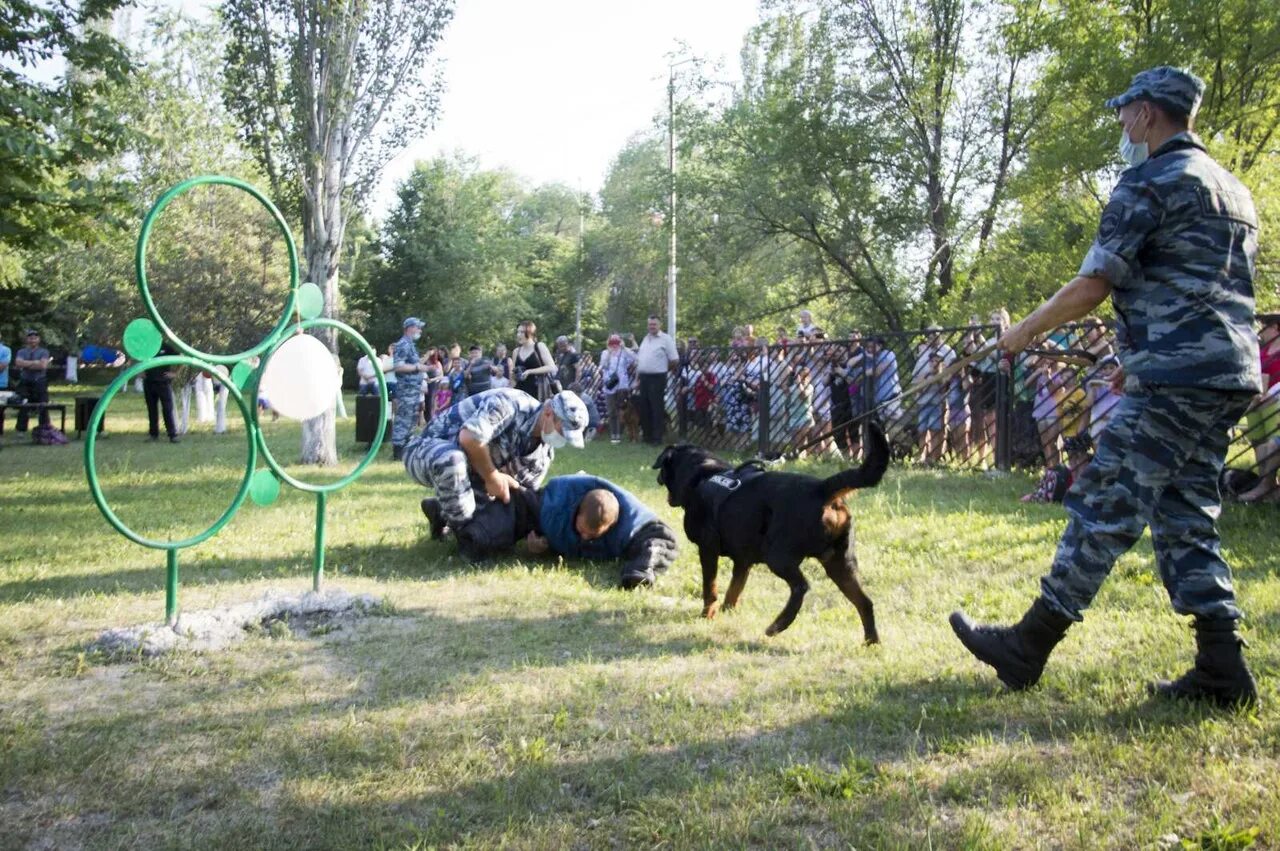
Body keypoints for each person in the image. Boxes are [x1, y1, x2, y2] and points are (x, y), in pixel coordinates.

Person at [950, 66, 1264, 708]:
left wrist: (1020, 334)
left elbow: (1094, 284)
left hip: (1176, 379)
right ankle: (1221, 668)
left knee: (1105, 501)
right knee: (1186, 515)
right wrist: (1139, 356)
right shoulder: (1232, 189)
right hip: (1224, 375)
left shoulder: (1149, 181)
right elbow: (1199, 291)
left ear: (1148, 114)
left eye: (1126, 112)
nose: (1121, 124)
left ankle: (1028, 646)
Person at [406, 387, 590, 537]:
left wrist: (536, 537)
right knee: (453, 460)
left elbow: (522, 501)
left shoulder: (542, 457)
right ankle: (463, 534)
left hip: (470, 472)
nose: (562, 439)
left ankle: (441, 510)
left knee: (496, 519)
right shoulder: (510, 403)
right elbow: (469, 438)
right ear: (549, 412)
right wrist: (492, 476)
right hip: (426, 452)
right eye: (562, 430)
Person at [450, 474, 680, 589]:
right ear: (577, 511)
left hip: (633, 533)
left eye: (593, 536)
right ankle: (455, 521)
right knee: (511, 507)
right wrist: (541, 542)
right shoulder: (555, 502)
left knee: (655, 547)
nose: (585, 538)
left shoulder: (633, 524)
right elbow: (521, 499)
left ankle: (640, 572)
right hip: (546, 511)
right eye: (582, 530)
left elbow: (665, 539)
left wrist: (640, 569)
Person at [635, 315, 678, 445]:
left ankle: (657, 438)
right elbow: (641, 360)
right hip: (644, 377)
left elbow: (674, 359)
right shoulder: (645, 339)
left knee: (656, 407)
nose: (651, 327)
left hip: (657, 377)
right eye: (650, 324)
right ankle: (647, 436)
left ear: (660, 325)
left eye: (654, 324)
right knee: (644, 407)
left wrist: (663, 370)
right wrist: (637, 379)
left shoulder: (666, 339)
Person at [390, 317, 428, 460]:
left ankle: (406, 448)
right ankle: (398, 450)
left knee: (411, 419)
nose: (420, 330)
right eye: (418, 327)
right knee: (403, 419)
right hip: (406, 390)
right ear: (409, 328)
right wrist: (418, 367)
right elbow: (398, 366)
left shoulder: (410, 344)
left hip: (412, 390)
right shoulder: (403, 344)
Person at [599, 333, 636, 444]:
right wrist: (609, 353)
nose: (614, 345)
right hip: (609, 385)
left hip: (622, 386)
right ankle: (613, 434)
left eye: (617, 342)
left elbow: (635, 357)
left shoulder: (624, 352)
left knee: (622, 410)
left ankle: (620, 433)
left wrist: (624, 347)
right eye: (612, 342)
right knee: (611, 411)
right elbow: (602, 366)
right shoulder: (605, 353)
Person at [13, 329, 51, 431]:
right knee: (23, 405)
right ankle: (21, 430)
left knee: (43, 405)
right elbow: (18, 363)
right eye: (30, 338)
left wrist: (26, 364)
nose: (32, 340)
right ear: (27, 339)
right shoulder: (21, 351)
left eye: (35, 338)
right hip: (25, 382)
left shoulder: (44, 351)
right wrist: (35, 362)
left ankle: (44, 429)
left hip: (40, 382)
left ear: (39, 339)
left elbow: (43, 365)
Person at [143, 346, 180, 443]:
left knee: (167, 409)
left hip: (163, 383)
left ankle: (172, 435)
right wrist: (140, 372)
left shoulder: (166, 347)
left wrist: (175, 373)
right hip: (149, 382)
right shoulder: (147, 346)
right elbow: (137, 357)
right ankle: (153, 435)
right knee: (152, 410)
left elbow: (181, 358)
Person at [513, 320, 557, 400]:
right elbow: (513, 375)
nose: (518, 335)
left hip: (539, 391)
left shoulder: (539, 346)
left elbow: (551, 367)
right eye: (518, 332)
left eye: (522, 332)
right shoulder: (516, 351)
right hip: (520, 393)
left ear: (530, 333)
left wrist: (530, 371)